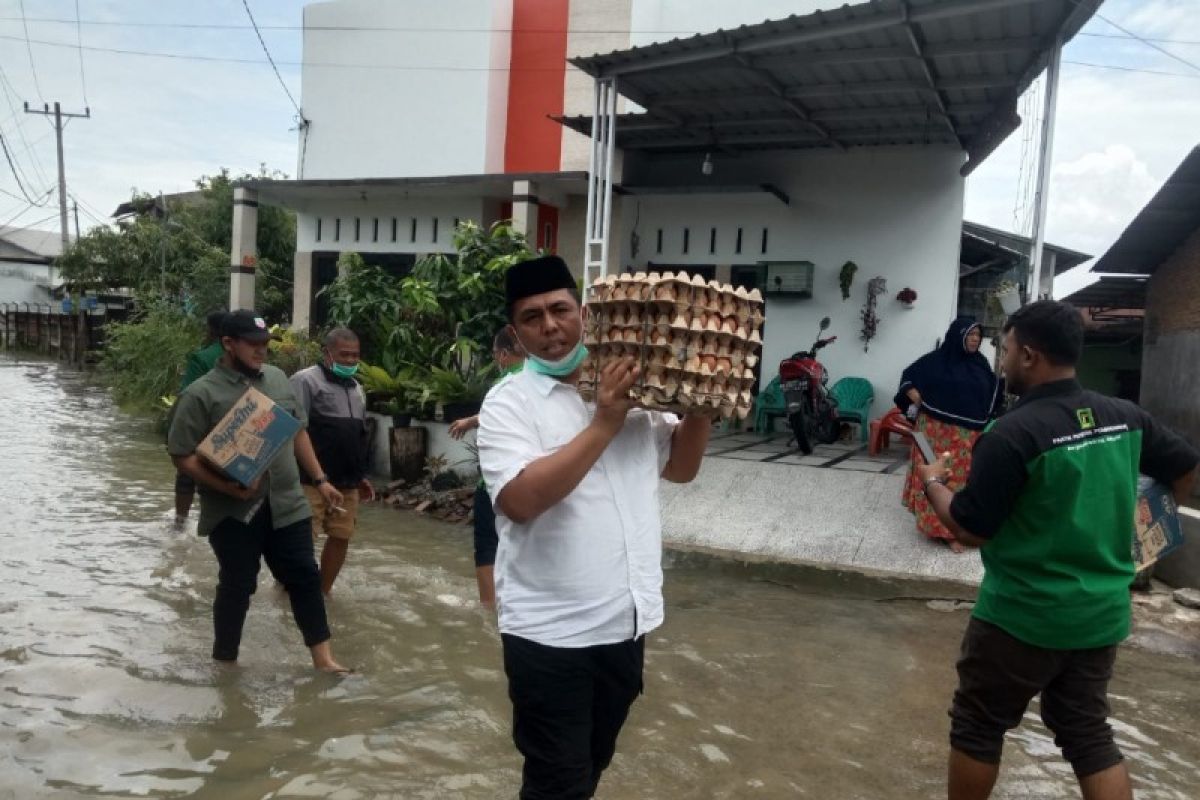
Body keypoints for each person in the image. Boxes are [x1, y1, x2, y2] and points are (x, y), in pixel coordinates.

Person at [915, 301, 1198, 800]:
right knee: (1088, 734)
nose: (1001, 361)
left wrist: (933, 485)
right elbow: (1185, 470)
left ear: (1028, 354)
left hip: (1022, 616)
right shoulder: (1125, 416)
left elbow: (970, 530)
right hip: (1101, 614)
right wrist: (1145, 527)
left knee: (977, 727)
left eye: (1005, 350)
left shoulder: (1012, 434)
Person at [477, 255, 712, 800]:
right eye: (532, 318)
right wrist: (605, 422)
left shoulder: (638, 388)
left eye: (559, 309)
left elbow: (680, 469)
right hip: (548, 633)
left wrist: (700, 408)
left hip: (626, 623)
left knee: (589, 767)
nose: (550, 326)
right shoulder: (507, 404)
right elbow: (518, 500)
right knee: (556, 781)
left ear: (583, 312)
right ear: (517, 331)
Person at [167, 309, 351, 674]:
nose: (261, 352)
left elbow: (298, 431)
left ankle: (324, 660)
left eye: (265, 345)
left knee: (304, 576)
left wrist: (320, 479)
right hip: (232, 511)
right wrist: (227, 488)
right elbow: (181, 455)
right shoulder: (201, 394)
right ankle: (225, 663)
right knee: (237, 585)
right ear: (228, 344)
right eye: (253, 345)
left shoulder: (279, 380)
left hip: (287, 502)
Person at [895, 318, 1002, 553]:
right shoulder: (936, 361)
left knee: (960, 478)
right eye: (971, 334)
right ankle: (940, 530)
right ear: (958, 335)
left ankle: (956, 529)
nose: (975, 339)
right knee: (932, 475)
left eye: (978, 335)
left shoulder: (980, 365)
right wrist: (917, 396)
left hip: (966, 435)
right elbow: (908, 378)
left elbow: (993, 392)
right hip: (930, 431)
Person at [289, 328, 376, 595]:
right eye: (344, 355)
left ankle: (322, 594)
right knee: (303, 541)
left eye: (355, 356)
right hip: (309, 480)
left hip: (346, 482)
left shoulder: (357, 388)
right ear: (327, 353)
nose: (351, 361)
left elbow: (356, 434)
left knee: (341, 536)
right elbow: (294, 430)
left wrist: (359, 475)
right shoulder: (305, 381)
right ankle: (292, 593)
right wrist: (319, 478)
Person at [448, 328, 525, 609]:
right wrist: (471, 420)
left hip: (495, 482)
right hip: (529, 480)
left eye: (495, 355)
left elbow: (497, 411)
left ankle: (489, 606)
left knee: (487, 544)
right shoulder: (538, 380)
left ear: (503, 354)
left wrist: (469, 421)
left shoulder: (504, 384)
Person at [174, 310, 228, 526]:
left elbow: (188, 392)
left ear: (211, 330)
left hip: (205, 424)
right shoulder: (240, 353)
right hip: (236, 423)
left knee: (187, 474)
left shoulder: (202, 356)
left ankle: (181, 520)